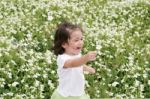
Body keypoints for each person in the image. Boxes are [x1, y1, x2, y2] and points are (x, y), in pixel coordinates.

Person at [51, 21, 97, 99]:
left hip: (78, 92)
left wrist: (87, 68)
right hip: (66, 95)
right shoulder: (62, 58)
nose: (80, 42)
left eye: (81, 39)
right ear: (64, 44)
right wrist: (86, 58)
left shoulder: (77, 54)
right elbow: (73, 64)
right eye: (76, 40)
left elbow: (79, 65)